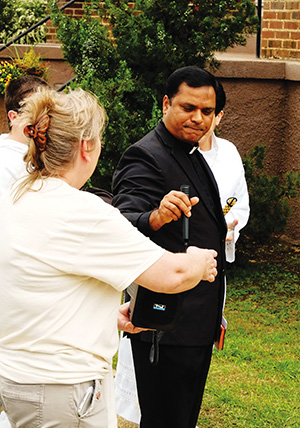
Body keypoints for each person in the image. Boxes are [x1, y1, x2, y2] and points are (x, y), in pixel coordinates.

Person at [0, 86, 218, 428]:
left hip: (19, 380)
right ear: (86, 146)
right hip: (63, 389)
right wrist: (200, 259)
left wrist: (105, 316)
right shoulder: (82, 211)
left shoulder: (19, 195)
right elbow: (171, 274)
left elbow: (33, 284)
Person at [113, 79, 250, 426]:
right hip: (166, 323)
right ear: (165, 104)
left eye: (207, 111)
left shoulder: (188, 151)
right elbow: (121, 222)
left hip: (195, 324)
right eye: (188, 108)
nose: (198, 119)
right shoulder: (146, 154)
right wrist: (154, 218)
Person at [0, 75, 50, 196]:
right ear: (14, 117)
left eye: (49, 110)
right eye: (36, 111)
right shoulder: (5, 164)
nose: (46, 119)